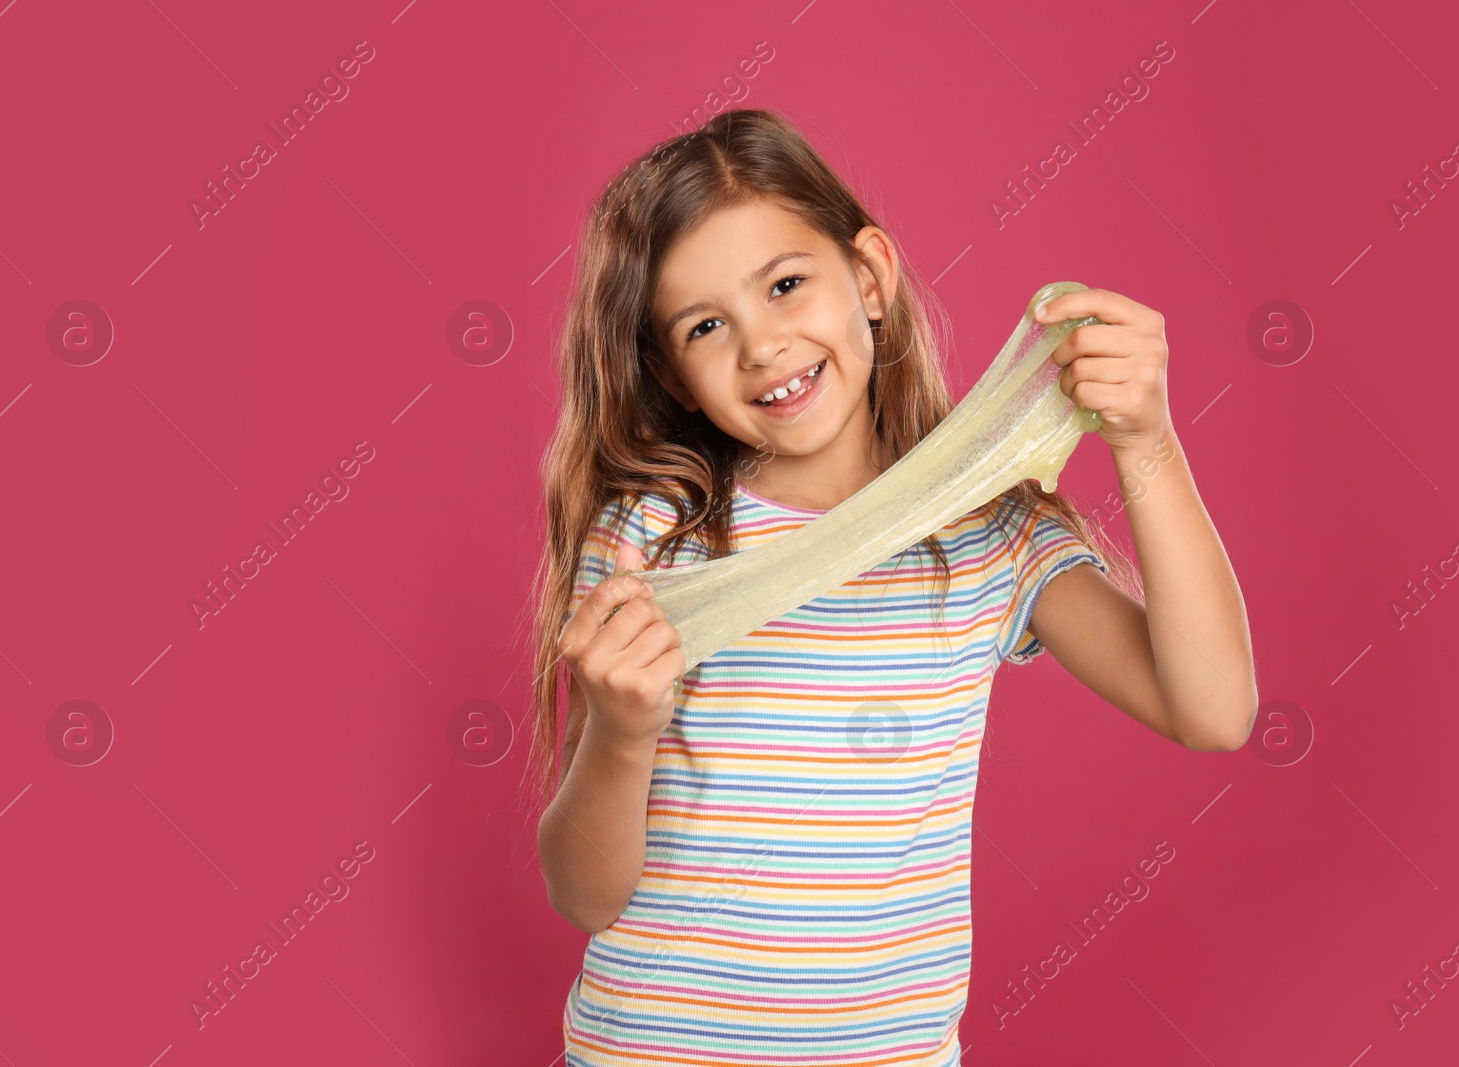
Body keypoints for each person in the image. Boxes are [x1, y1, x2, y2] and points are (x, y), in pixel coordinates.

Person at [523, 108, 1257, 1067]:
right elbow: (584, 894)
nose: (763, 345)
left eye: (786, 285)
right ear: (672, 371)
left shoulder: (988, 533)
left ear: (868, 278)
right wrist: (621, 732)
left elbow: (1214, 710)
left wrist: (1145, 442)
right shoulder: (652, 541)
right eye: (708, 325)